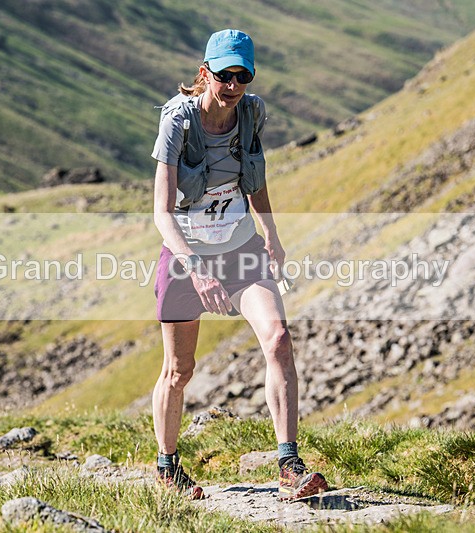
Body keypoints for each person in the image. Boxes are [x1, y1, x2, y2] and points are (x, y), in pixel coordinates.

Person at [151, 29, 328, 501]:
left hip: (239, 248)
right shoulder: (178, 120)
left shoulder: (252, 113)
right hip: (187, 253)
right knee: (178, 370)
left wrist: (272, 234)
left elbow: (256, 179)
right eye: (224, 75)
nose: (232, 85)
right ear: (205, 72)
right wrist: (195, 268)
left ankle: (289, 464)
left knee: (279, 339)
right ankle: (167, 470)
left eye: (242, 75)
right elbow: (161, 212)